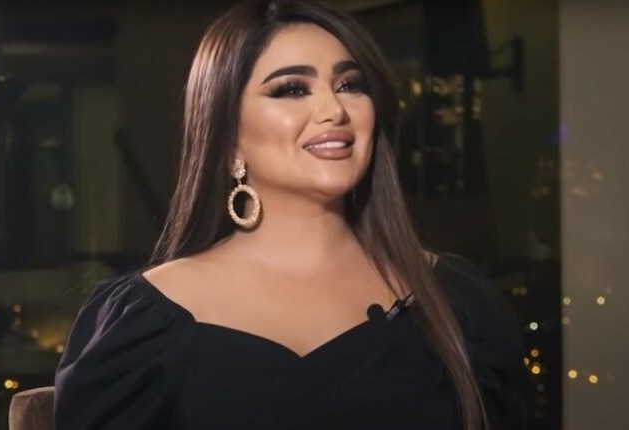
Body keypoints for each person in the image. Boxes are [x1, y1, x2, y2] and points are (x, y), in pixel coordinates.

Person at [54, 1, 529, 429]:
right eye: (291, 89)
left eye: (350, 85)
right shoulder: (144, 321)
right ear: (228, 135)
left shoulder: (456, 301)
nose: (334, 109)